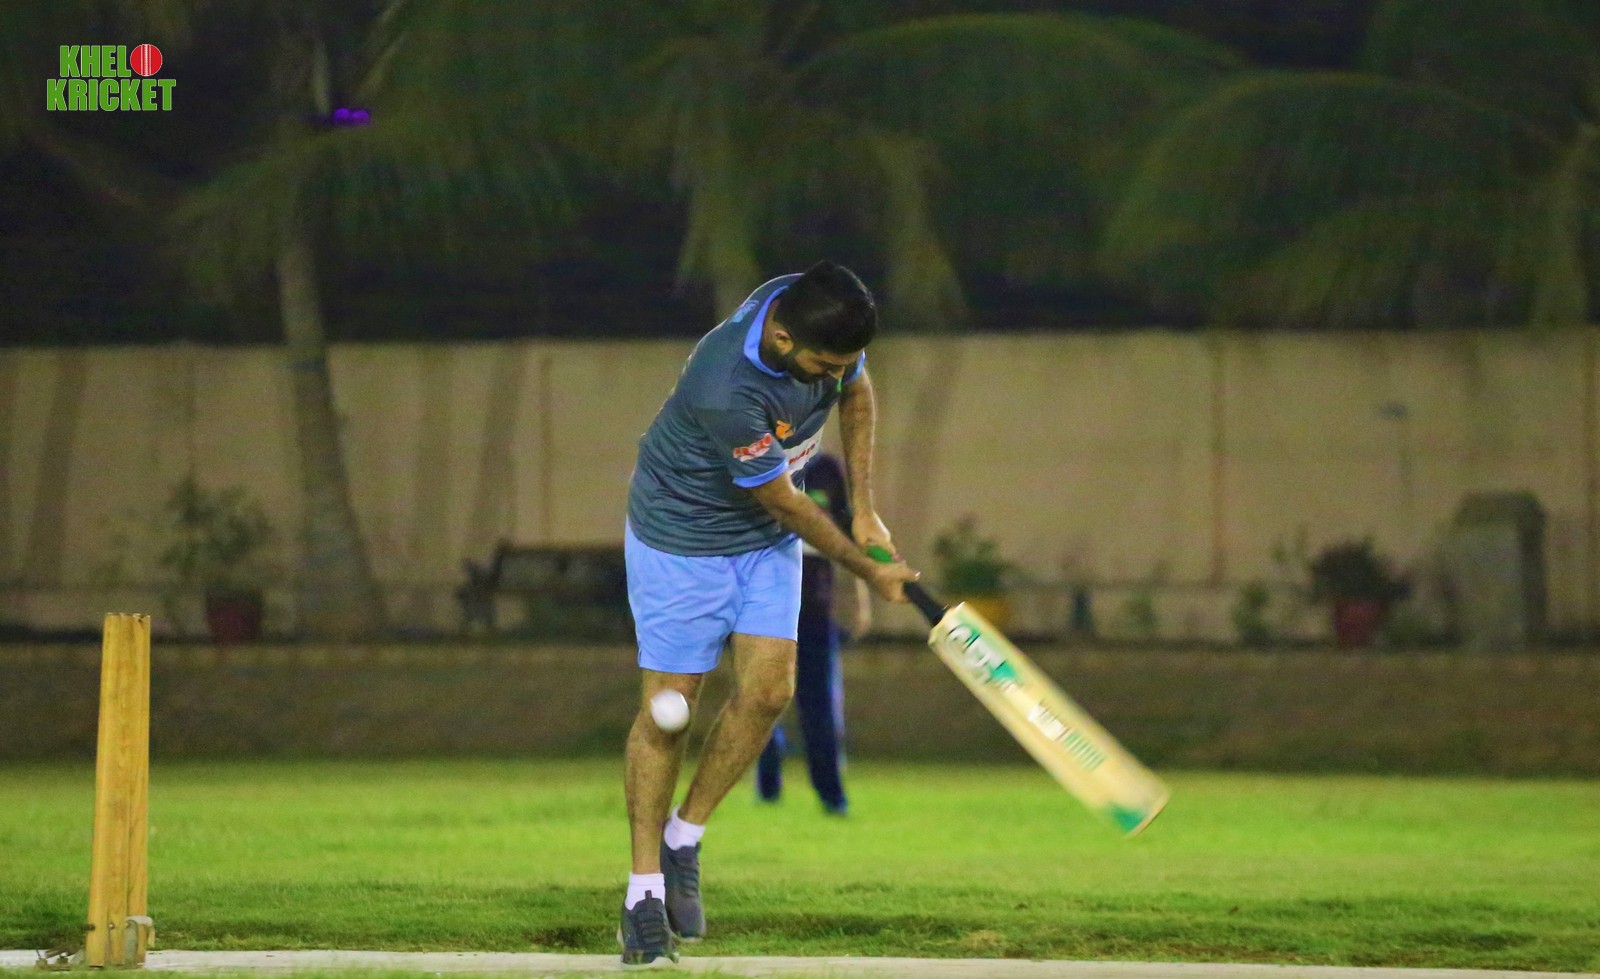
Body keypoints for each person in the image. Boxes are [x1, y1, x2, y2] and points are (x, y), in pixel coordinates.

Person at [618, 260, 919, 967]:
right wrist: (866, 568)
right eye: (823, 366)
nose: (833, 376)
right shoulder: (726, 385)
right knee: (670, 711)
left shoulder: (816, 314)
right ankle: (642, 895)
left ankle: (684, 839)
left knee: (769, 692)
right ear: (782, 339)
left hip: (763, 543)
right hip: (681, 542)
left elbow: (857, 389)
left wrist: (865, 508)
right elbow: (785, 500)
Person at [754, 451, 868, 816]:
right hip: (763, 606)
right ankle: (767, 783)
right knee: (761, 699)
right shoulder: (754, 462)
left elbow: (847, 531)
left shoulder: (824, 469)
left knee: (819, 706)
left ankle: (831, 795)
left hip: (814, 609)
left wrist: (860, 597)